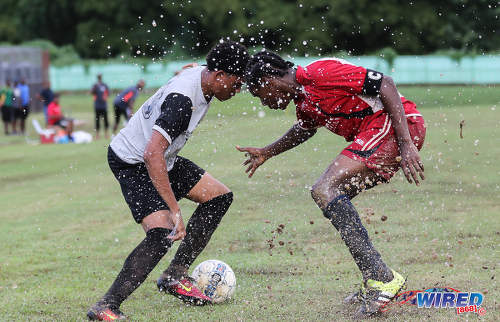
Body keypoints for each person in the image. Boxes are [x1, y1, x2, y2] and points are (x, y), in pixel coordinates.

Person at [238, 51, 426, 318]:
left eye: (260, 95)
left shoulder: (318, 73)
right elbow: (305, 128)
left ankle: (381, 278)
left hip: (396, 126)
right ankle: (377, 277)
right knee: (328, 194)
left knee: (324, 189)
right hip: (378, 133)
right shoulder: (303, 101)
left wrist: (406, 144)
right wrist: (268, 151)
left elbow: (386, 83)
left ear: (270, 80)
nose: (264, 103)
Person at [87, 40, 249, 321]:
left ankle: (175, 276)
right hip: (133, 162)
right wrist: (174, 208)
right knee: (163, 234)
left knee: (219, 197)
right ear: (219, 75)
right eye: (235, 85)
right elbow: (152, 155)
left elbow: (192, 68)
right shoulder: (181, 103)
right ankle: (106, 306)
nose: (236, 91)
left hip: (163, 158)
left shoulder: (203, 74)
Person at [91, 74, 110, 139]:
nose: (99, 77)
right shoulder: (95, 85)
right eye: (99, 76)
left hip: (104, 105)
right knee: (97, 120)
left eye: (100, 76)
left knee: (105, 120)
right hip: (97, 105)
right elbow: (92, 92)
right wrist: (95, 88)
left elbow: (108, 93)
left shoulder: (104, 85)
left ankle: (106, 134)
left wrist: (105, 96)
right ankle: (97, 135)